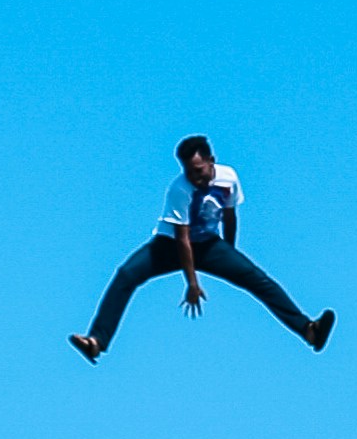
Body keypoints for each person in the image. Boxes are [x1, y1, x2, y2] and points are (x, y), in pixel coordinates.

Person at [71, 132, 335, 359]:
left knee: (258, 280)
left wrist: (231, 254)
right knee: (126, 275)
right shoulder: (179, 190)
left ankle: (309, 330)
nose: (194, 178)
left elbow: (230, 216)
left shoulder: (229, 178)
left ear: (211, 161)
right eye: (188, 172)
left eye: (198, 171)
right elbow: (183, 241)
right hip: (169, 246)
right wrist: (192, 284)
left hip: (209, 245)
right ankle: (96, 342)